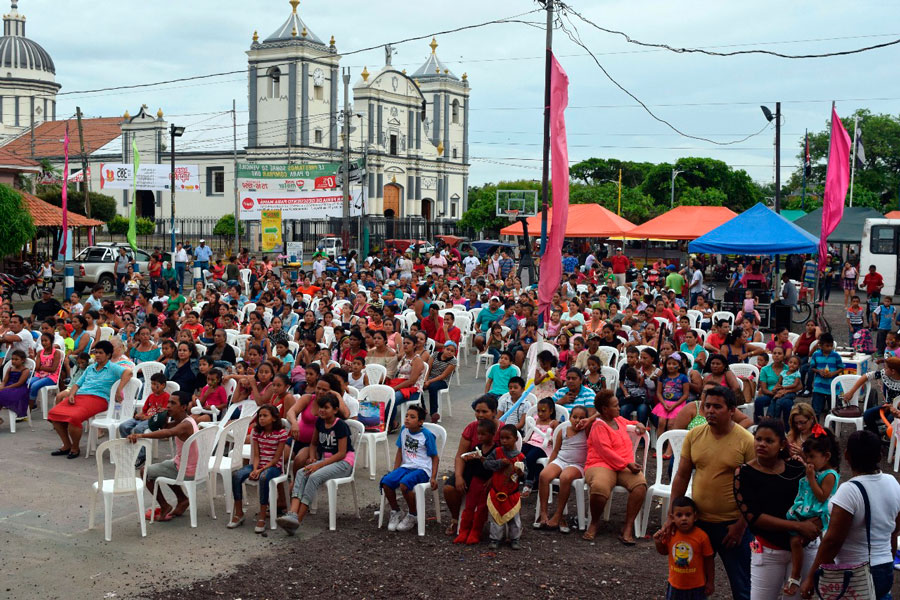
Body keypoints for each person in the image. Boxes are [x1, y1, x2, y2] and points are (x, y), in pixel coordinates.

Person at [668, 385, 755, 600]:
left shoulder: (746, 441)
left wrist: (741, 525)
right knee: (691, 583)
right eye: (707, 406)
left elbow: (754, 488)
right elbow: (681, 476)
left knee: (742, 585)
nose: (710, 411)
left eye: (717, 406)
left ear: (732, 410)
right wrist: (671, 515)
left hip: (732, 525)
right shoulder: (695, 435)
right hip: (699, 523)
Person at [799, 430, 900, 600]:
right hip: (884, 567)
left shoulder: (849, 491)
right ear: (880, 456)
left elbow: (833, 540)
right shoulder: (893, 482)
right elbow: (895, 529)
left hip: (856, 572)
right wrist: (887, 557)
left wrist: (811, 577)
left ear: (847, 456)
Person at [732, 418, 824, 599]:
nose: (761, 444)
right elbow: (754, 517)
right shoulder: (744, 473)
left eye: (769, 441)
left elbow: (817, 500)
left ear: (782, 444)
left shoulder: (796, 468)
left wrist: (814, 524)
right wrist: (798, 527)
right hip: (769, 551)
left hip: (804, 548)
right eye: (758, 439)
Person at [277, 393, 355, 534]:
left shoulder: (340, 426)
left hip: (343, 463)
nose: (322, 410)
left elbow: (341, 453)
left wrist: (318, 465)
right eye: (321, 407)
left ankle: (297, 521)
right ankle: (292, 513)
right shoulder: (319, 422)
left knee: (314, 477)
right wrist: (312, 458)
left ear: (335, 410)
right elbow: (313, 444)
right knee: (302, 472)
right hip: (325, 461)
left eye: (326, 408)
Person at [580, 390, 646, 544]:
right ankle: (594, 523)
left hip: (624, 466)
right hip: (600, 463)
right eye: (615, 406)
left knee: (640, 486)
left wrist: (639, 423)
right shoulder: (598, 426)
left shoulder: (619, 420)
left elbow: (632, 423)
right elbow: (605, 451)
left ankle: (627, 527)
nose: (619, 408)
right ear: (604, 409)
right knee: (599, 487)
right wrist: (627, 464)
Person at [48, 340, 132, 459]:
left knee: (74, 418)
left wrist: (119, 389)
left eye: (100, 353)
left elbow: (128, 373)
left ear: (108, 355)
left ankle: (75, 448)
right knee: (53, 414)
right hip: (80, 396)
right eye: (96, 352)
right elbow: (77, 384)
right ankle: (67, 445)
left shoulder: (113, 368)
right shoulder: (90, 368)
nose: (97, 355)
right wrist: (71, 394)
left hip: (99, 399)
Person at [782, 428, 840, 596]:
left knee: (796, 542)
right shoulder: (817, 468)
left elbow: (822, 497)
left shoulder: (830, 475)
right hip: (806, 510)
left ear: (827, 456)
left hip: (817, 513)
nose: (809, 461)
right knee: (794, 539)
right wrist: (802, 461)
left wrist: (811, 477)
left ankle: (796, 575)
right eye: (807, 457)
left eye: (812, 457)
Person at [127, 391, 197, 521]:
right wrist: (163, 416)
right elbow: (165, 427)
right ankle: (182, 500)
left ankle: (164, 506)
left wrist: (141, 435)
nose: (168, 405)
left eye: (173, 403)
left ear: (183, 407)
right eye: (168, 402)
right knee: (166, 466)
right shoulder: (186, 420)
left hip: (186, 469)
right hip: (187, 465)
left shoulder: (185, 425)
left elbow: (168, 432)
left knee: (145, 472)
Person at [228, 404, 289, 533]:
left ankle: (262, 515)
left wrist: (259, 471)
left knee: (264, 477)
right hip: (258, 464)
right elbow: (256, 455)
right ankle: (239, 513)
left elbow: (276, 458)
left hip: (273, 466)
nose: (261, 418)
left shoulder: (281, 434)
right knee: (236, 475)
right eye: (260, 416)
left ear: (273, 418)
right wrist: (255, 468)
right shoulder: (256, 432)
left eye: (265, 416)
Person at [381, 405, 440, 533]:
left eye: (412, 417)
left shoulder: (426, 435)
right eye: (406, 416)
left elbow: (435, 458)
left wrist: (433, 477)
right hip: (406, 467)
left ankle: (413, 515)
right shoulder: (404, 430)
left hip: (422, 469)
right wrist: (395, 470)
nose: (407, 419)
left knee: (404, 484)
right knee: (386, 482)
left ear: (420, 422)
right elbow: (400, 451)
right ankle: (396, 511)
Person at [536, 405, 589, 532]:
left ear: (587, 420)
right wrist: (550, 464)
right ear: (569, 418)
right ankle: (543, 513)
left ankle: (558, 514)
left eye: (582, 418)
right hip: (560, 460)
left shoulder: (587, 431)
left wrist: (588, 422)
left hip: (577, 464)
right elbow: (555, 451)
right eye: (574, 417)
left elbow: (597, 419)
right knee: (544, 475)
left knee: (565, 477)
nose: (577, 420)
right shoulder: (563, 430)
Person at [653, 496, 715, 600]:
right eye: (679, 515)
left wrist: (710, 582)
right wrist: (658, 542)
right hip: (675, 585)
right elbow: (664, 552)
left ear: (695, 517)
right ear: (672, 518)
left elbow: (709, 560)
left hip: (697, 587)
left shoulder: (702, 537)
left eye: (688, 515)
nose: (684, 518)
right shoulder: (670, 534)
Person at [485, 423, 526, 550]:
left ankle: (515, 538)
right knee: (495, 516)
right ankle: (495, 538)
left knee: (514, 517)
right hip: (496, 491)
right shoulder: (496, 453)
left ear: (515, 439)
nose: (504, 441)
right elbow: (486, 464)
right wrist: (499, 463)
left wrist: (521, 474)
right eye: (502, 438)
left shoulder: (521, 457)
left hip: (512, 493)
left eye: (507, 438)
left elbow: (527, 475)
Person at [807, 332, 843, 416]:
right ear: (821, 345)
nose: (830, 348)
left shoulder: (836, 356)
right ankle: (816, 428)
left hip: (833, 387)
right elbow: (812, 367)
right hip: (819, 386)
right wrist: (819, 371)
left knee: (834, 411)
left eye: (831, 346)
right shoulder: (816, 355)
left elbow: (841, 368)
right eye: (827, 346)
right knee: (816, 411)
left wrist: (833, 373)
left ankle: (834, 428)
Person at [0, 350, 31, 425]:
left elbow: (19, 383)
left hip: (19, 389)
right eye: (12, 359)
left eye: (16, 359)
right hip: (8, 386)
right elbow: (4, 381)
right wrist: (2, 386)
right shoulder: (10, 369)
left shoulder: (25, 370)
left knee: (1, 394)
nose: (13, 361)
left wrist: (5, 388)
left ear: (23, 360)